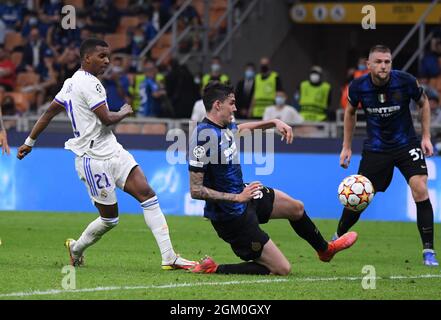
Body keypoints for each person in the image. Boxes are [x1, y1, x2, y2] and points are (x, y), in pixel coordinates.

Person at [16, 38, 195, 270]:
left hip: (113, 150)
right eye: (102, 56)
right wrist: (124, 111)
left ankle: (169, 257)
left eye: (108, 56)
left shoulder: (70, 83)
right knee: (110, 219)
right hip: (93, 160)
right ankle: (76, 248)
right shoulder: (90, 84)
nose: (107, 61)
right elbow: (107, 118)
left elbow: (48, 113)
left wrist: (29, 142)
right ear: (87, 58)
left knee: (148, 195)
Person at [188, 82, 357, 275]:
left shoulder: (223, 127)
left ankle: (325, 250)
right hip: (231, 216)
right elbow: (196, 190)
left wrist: (274, 122)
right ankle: (214, 268)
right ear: (218, 105)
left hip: (245, 195)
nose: (235, 107)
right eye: (232, 103)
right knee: (282, 269)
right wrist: (237, 197)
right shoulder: (203, 137)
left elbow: (241, 129)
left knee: (296, 208)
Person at [336, 44, 438, 266]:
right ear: (369, 65)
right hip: (376, 148)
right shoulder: (358, 86)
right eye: (379, 62)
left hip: (406, 144)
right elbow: (350, 112)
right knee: (359, 196)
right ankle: (336, 237)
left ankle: (428, 251)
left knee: (420, 188)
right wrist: (346, 146)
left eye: (387, 61)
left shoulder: (405, 81)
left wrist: (426, 136)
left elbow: (424, 103)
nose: (384, 66)